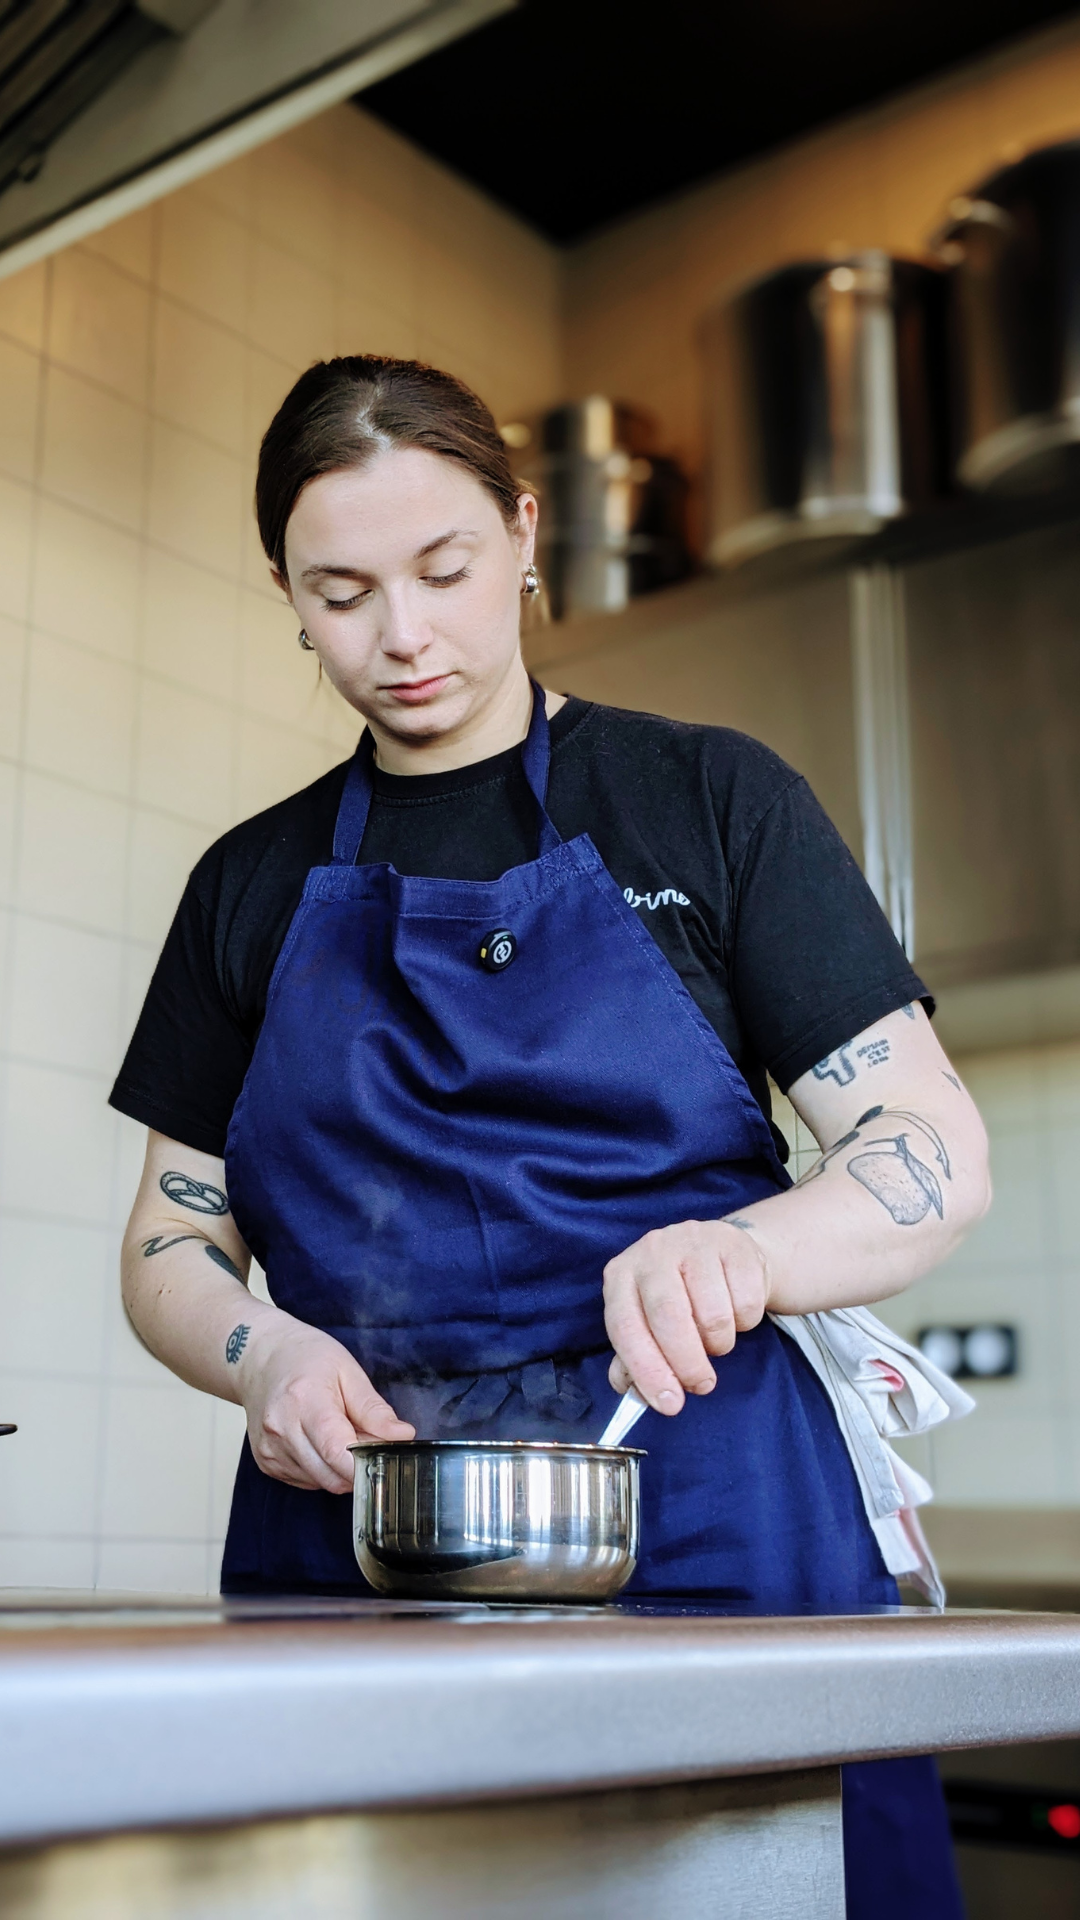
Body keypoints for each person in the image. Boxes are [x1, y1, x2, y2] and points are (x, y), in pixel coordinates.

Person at [111, 356, 989, 1918]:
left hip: (706, 1508)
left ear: (527, 535)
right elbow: (173, 1237)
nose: (403, 636)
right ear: (287, 597)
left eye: (445, 571)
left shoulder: (703, 799)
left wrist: (743, 1248)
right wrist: (261, 1357)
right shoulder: (249, 883)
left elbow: (926, 1147)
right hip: (359, 1538)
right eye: (340, 594)